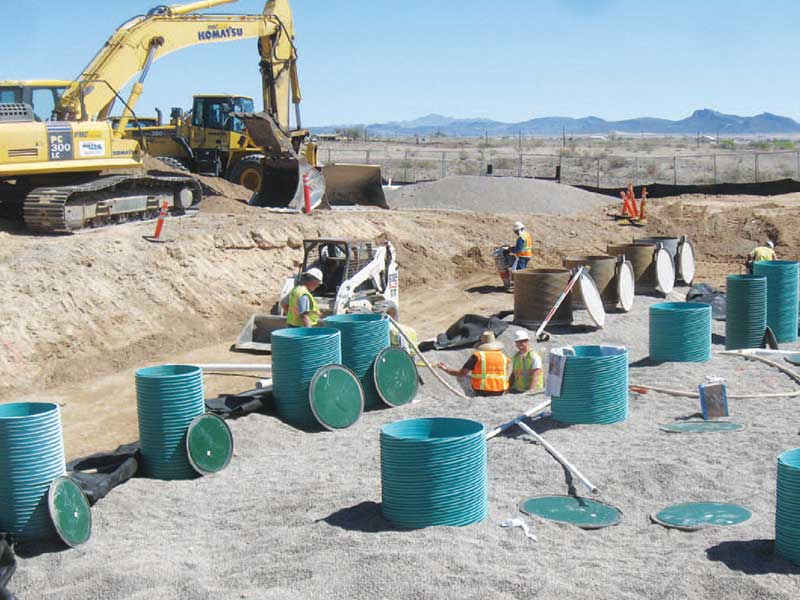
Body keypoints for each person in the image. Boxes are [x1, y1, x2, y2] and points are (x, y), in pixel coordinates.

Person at [437, 331, 510, 396]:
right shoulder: (504, 357)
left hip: (482, 390)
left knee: (464, 378)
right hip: (501, 390)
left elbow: (461, 373)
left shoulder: (478, 356)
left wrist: (445, 369)